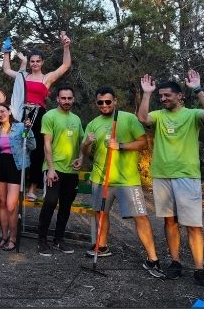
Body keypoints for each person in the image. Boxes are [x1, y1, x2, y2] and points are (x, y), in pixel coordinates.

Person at [138, 71, 204, 288]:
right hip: (162, 175)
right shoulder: (159, 115)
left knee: (193, 225)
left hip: (187, 176)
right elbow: (143, 118)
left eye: (167, 95)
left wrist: (198, 89)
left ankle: (199, 270)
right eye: (161, 96)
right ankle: (175, 263)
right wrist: (147, 94)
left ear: (180, 96)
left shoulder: (192, 115)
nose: (163, 99)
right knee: (170, 221)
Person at [79, 87, 166, 279]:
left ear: (115, 101)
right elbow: (85, 153)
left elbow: (143, 143)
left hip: (127, 180)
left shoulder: (128, 119)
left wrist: (120, 146)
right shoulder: (93, 124)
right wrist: (86, 144)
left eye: (108, 102)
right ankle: (102, 246)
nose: (104, 105)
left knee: (140, 217)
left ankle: (153, 259)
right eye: (100, 102)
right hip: (101, 178)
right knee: (101, 213)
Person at [2, 32, 72, 202]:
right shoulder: (23, 76)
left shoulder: (46, 78)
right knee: (18, 145)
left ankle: (33, 188)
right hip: (21, 113)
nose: (34, 64)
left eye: (37, 61)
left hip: (38, 114)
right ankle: (17, 184)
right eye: (32, 61)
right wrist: (6, 52)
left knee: (37, 149)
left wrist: (66, 46)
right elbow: (6, 69)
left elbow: (65, 65)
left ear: (42, 62)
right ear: (29, 62)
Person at [36, 86, 83, 256]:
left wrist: (81, 158)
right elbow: (46, 144)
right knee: (50, 202)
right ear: (57, 99)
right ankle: (42, 240)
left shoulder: (76, 119)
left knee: (65, 206)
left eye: (69, 98)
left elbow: (81, 142)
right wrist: (50, 168)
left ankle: (58, 239)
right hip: (54, 169)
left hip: (71, 171)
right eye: (63, 98)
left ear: (73, 99)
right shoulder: (50, 116)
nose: (66, 101)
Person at [0, 103, 34, 251]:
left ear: (9, 111)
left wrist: (28, 130)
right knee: (2, 203)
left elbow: (32, 146)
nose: (0, 114)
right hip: (1, 167)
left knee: (11, 206)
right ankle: (4, 236)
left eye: (3, 111)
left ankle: (13, 237)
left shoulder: (20, 127)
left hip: (16, 167)